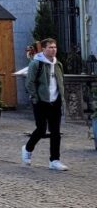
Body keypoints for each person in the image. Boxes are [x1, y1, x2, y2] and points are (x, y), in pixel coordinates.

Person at [23, 38, 68, 171]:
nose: (53, 50)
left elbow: (60, 81)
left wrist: (61, 98)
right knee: (41, 129)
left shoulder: (58, 64)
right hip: (41, 101)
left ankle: (54, 160)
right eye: (50, 47)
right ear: (43, 49)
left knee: (55, 132)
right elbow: (29, 83)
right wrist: (35, 98)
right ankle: (27, 149)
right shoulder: (36, 64)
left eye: (54, 47)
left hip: (55, 101)